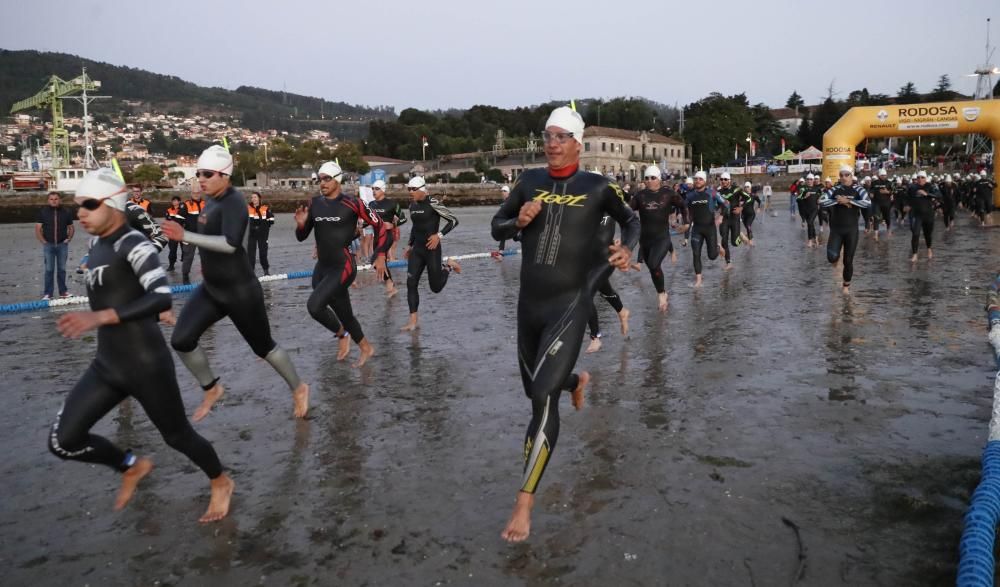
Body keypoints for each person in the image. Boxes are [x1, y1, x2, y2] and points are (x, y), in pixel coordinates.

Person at [49, 168, 233, 523]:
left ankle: (221, 481)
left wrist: (101, 317)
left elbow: (161, 295)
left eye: (88, 204)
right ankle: (131, 466)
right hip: (107, 364)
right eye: (77, 206)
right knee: (63, 440)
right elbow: (127, 292)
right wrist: (135, 312)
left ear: (114, 205)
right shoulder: (94, 245)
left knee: (178, 436)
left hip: (145, 363)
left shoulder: (134, 243)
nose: (80, 213)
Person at [491, 105, 638, 542]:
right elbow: (498, 227)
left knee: (540, 397)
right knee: (537, 386)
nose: (552, 143)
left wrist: (627, 249)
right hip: (528, 305)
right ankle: (574, 380)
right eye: (547, 136)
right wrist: (516, 221)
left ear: (577, 142)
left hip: (568, 303)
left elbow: (632, 220)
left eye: (561, 136)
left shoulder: (598, 186)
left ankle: (523, 502)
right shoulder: (528, 182)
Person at [162, 145, 310, 421]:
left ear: (224, 175)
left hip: (240, 291)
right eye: (199, 173)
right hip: (211, 289)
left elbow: (230, 245)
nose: (201, 179)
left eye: (207, 174)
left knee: (263, 347)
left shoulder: (233, 203)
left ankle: (299, 387)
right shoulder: (211, 201)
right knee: (181, 340)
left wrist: (186, 237)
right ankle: (212, 388)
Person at [295, 161, 389, 367]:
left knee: (314, 306)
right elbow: (302, 236)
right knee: (345, 314)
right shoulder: (314, 203)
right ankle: (366, 347)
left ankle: (342, 335)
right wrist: (301, 225)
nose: (322, 183)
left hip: (343, 266)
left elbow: (380, 226)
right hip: (322, 268)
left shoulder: (354, 203)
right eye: (320, 179)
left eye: (327, 178)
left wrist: (380, 254)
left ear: (337, 180)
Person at [401, 176, 462, 332]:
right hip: (417, 251)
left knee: (435, 287)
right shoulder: (412, 205)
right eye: (408, 189)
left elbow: (453, 221)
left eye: (412, 189)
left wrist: (439, 235)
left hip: (432, 250)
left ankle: (448, 266)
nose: (410, 192)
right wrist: (409, 245)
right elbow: (415, 227)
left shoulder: (433, 203)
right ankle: (413, 321)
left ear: (422, 189)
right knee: (411, 283)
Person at [630, 165, 681, 311]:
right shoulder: (640, 196)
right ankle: (663, 292)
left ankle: (661, 296)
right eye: (646, 178)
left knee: (653, 264)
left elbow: (683, 206)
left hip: (662, 238)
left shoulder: (668, 193)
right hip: (645, 240)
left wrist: (687, 223)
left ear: (659, 179)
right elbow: (626, 212)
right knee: (653, 269)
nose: (649, 181)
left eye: (652, 178)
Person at [819, 166, 870, 294]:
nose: (843, 177)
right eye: (841, 175)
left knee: (848, 261)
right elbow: (822, 201)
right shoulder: (835, 189)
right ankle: (835, 260)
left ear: (851, 175)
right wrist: (838, 201)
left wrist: (849, 201)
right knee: (831, 257)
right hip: (836, 229)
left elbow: (867, 203)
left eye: (846, 175)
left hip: (851, 231)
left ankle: (846, 286)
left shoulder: (859, 189)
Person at [685, 171, 727, 287]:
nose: (697, 181)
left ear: (705, 181)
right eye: (696, 179)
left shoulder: (712, 193)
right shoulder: (690, 196)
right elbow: (685, 211)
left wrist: (721, 217)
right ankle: (698, 280)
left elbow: (726, 204)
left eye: (700, 179)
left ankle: (718, 248)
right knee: (696, 253)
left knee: (712, 256)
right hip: (697, 229)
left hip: (710, 228)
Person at [366, 179, 408, 295]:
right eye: (373, 189)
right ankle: (391, 286)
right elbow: (368, 220)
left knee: (375, 260)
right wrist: (360, 224)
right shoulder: (371, 204)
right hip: (376, 238)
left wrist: (393, 224)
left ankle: (390, 284)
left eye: (377, 189)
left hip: (388, 236)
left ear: (383, 190)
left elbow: (404, 218)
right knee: (379, 261)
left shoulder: (392, 203)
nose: (374, 191)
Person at [37, 191, 76, 300]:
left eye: (56, 199)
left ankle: (63, 292)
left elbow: (71, 227)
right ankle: (48, 294)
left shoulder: (66, 212)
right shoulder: (43, 212)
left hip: (62, 245)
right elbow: (38, 228)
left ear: (60, 200)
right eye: (51, 199)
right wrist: (43, 241)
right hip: (48, 245)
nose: (54, 201)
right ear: (48, 200)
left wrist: (69, 239)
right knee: (49, 270)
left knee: (62, 270)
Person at [905, 170, 941, 263]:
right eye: (918, 177)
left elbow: (939, 195)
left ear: (926, 178)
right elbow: (907, 198)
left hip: (928, 215)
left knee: (927, 234)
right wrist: (907, 205)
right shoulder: (912, 187)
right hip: (917, 214)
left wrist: (927, 194)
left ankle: (929, 248)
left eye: (922, 177)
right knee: (915, 234)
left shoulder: (930, 186)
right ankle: (915, 255)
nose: (920, 179)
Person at [716, 172, 750, 269]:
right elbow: (715, 204)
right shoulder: (718, 192)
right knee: (724, 240)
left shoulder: (737, 189)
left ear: (729, 180)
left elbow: (748, 198)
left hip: (734, 218)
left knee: (735, 243)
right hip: (725, 219)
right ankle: (728, 262)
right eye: (721, 179)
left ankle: (741, 236)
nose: (723, 181)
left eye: (725, 179)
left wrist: (741, 208)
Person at [179, 181, 206, 285]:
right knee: (188, 257)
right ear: (191, 193)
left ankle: (208, 276)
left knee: (206, 257)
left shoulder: (205, 203)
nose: (196, 194)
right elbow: (178, 221)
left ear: (201, 192)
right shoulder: (185, 205)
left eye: (198, 192)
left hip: (203, 236)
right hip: (189, 236)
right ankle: (185, 276)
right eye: (194, 193)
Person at [246, 191, 274, 275]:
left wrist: (264, 227)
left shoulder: (265, 209)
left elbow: (272, 220)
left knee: (263, 254)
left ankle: (266, 272)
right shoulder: (247, 209)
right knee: (251, 255)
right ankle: (251, 273)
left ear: (259, 198)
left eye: (255, 197)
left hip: (263, 235)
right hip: (251, 235)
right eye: (252, 197)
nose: (253, 199)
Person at [796, 174, 822, 247]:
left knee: (810, 222)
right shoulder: (803, 189)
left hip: (814, 209)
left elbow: (823, 196)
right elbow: (798, 199)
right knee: (810, 224)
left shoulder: (817, 189)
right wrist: (804, 196)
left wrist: (820, 200)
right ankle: (815, 237)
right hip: (806, 210)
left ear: (813, 180)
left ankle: (810, 240)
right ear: (806, 180)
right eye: (808, 179)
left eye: (811, 179)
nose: (809, 181)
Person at [869, 169, 894, 241]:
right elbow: (871, 190)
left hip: (886, 203)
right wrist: (871, 194)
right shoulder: (874, 183)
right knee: (876, 218)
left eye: (885, 175)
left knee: (887, 217)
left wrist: (887, 192)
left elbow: (894, 191)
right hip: (877, 203)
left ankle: (888, 229)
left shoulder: (889, 183)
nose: (884, 176)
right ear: (879, 175)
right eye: (882, 175)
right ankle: (876, 234)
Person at [164, 196, 185, 271]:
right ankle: (171, 265)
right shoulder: (169, 210)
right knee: (172, 250)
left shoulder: (183, 209)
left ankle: (185, 263)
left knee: (185, 249)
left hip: (183, 233)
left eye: (176, 201)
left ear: (179, 202)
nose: (174, 202)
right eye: (173, 201)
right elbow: (167, 221)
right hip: (172, 234)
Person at [492, 185, 511, 260]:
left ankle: (501, 254)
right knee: (517, 238)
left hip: (512, 222)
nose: (503, 193)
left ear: (508, 193)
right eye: (502, 191)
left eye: (505, 191)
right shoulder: (505, 202)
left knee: (503, 235)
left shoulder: (510, 201)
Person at [740, 180, 761, 245]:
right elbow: (739, 203)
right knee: (747, 227)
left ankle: (750, 240)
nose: (747, 188)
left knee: (748, 226)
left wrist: (759, 208)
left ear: (750, 187)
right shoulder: (742, 195)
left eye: (748, 187)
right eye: (745, 187)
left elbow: (759, 201)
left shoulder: (753, 195)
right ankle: (748, 236)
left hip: (751, 214)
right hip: (743, 215)